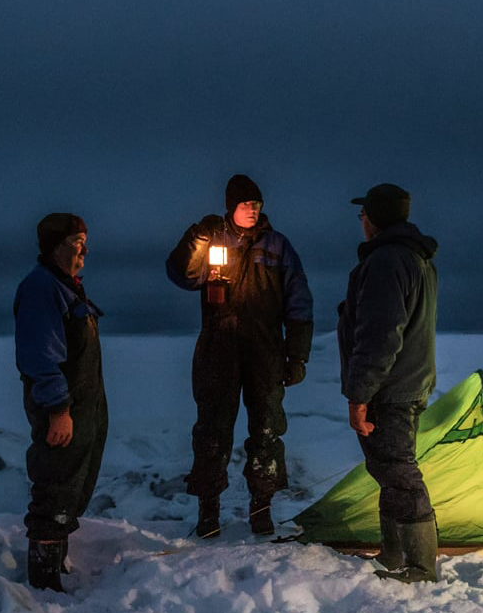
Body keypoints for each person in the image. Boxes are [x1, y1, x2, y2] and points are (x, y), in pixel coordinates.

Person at [165, 175, 314, 538]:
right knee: (212, 431)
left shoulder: (277, 246)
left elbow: (298, 300)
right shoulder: (211, 240)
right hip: (218, 350)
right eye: (246, 204)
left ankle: (261, 509)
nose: (252, 210)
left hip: (265, 352)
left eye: (257, 204)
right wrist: (197, 237)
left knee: (267, 431)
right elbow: (183, 275)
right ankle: (208, 512)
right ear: (230, 206)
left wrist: (297, 356)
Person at [337, 183, 440, 583]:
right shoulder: (415, 259)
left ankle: (419, 565)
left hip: (391, 388)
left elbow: (380, 336)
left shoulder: (386, 261)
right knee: (388, 469)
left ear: (374, 219)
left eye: (364, 214)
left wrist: (359, 395)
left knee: (398, 471)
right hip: (407, 381)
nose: (361, 221)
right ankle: (394, 554)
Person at [13, 212, 108, 592]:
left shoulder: (67, 288)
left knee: (72, 486)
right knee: (54, 486)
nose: (85, 249)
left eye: (85, 241)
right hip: (64, 408)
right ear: (55, 246)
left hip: (83, 406)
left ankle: (56, 566)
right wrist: (58, 410)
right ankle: (44, 582)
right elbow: (40, 355)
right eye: (77, 242)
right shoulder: (41, 288)